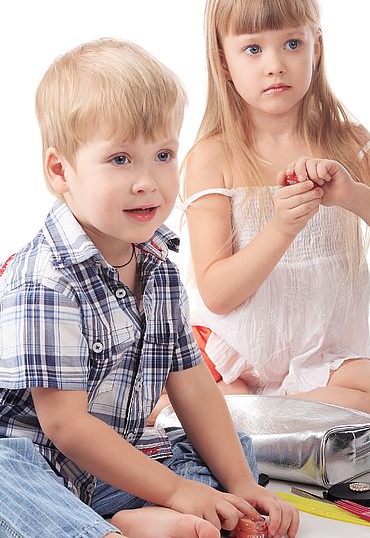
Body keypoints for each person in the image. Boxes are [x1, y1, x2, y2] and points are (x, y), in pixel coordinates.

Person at [0, 38, 298, 538]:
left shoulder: (158, 267)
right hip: (36, 466)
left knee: (227, 445)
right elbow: (65, 427)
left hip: (111, 464)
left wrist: (240, 481)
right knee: (6, 482)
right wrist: (178, 490)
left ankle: (144, 514)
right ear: (60, 171)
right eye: (120, 160)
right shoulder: (44, 278)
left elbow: (192, 382)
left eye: (162, 155)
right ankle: (104, 529)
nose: (148, 181)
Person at [181, 0, 370, 443]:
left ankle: (248, 420)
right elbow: (217, 292)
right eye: (253, 49)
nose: (275, 64)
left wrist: (354, 195)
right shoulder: (213, 156)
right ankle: (256, 419)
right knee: (185, 387)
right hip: (230, 350)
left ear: (316, 47)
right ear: (224, 61)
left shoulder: (351, 143)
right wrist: (281, 228)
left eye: (292, 43)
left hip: (326, 365)